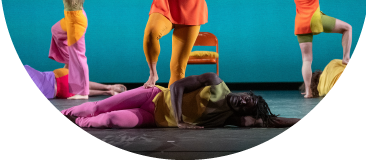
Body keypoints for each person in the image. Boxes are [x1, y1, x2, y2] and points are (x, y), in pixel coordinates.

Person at [61, 72, 301, 129]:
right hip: (154, 95)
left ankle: (78, 123)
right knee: (98, 105)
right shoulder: (215, 82)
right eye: (247, 97)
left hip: (151, 118)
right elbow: (176, 86)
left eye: (246, 104)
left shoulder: (227, 116)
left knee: (111, 119)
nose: (243, 100)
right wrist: (179, 121)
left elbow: (271, 119)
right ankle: (64, 116)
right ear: (246, 93)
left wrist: (303, 122)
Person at [23, 65, 126, 99]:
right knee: (81, 83)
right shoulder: (25, 68)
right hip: (60, 75)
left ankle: (107, 92)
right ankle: (108, 87)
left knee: (79, 90)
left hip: (60, 91)